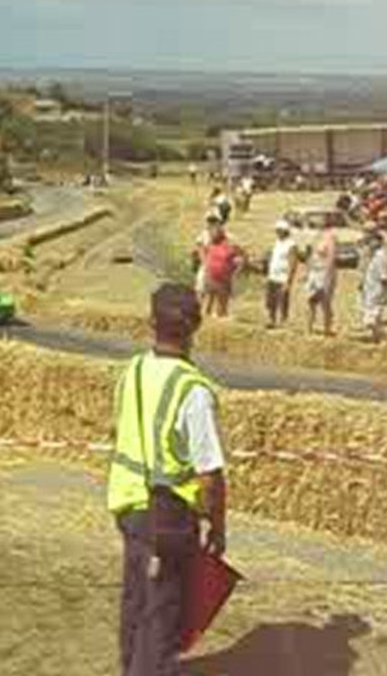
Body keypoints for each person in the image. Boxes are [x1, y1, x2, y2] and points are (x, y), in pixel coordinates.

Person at [107, 283, 227, 676]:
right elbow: (209, 472)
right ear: (195, 325)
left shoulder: (133, 371)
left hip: (127, 504)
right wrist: (217, 526)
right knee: (164, 610)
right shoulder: (192, 390)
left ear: (150, 323)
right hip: (169, 514)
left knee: (137, 599)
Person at [359, 229, 387, 343]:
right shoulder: (372, 255)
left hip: (377, 292)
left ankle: (383, 338)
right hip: (370, 290)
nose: (369, 244)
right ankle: (377, 338)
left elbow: (385, 277)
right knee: (373, 318)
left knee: (371, 320)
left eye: (372, 241)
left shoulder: (381, 256)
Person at [202, 227, 243, 318]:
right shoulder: (210, 245)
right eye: (212, 234)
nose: (212, 236)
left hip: (223, 278)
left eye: (215, 234)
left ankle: (221, 315)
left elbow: (241, 254)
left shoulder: (228, 246)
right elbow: (204, 253)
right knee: (209, 298)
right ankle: (207, 316)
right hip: (211, 276)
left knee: (222, 300)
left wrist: (237, 269)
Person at [264, 220, 298, 329]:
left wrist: (289, 281)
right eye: (277, 230)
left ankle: (283, 321)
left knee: (282, 300)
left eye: (280, 230)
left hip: (282, 277)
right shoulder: (277, 242)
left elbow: (293, 263)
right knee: (270, 300)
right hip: (272, 276)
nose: (277, 232)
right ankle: (271, 320)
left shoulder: (291, 245)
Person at [304, 228, 338, 336]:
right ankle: (308, 328)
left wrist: (327, 277)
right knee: (310, 301)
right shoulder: (315, 237)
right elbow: (310, 257)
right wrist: (307, 272)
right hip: (314, 272)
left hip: (324, 273)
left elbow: (331, 259)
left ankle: (326, 328)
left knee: (325, 302)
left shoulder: (331, 238)